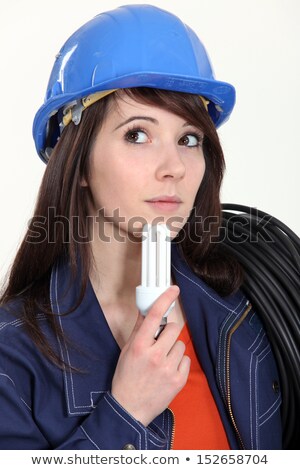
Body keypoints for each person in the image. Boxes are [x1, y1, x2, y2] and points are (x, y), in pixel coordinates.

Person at [0, 4, 282, 450]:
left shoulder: (249, 312)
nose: (174, 167)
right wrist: (125, 413)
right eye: (137, 134)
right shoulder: (11, 358)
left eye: (189, 138)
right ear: (78, 164)